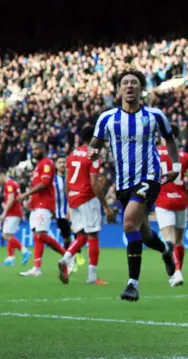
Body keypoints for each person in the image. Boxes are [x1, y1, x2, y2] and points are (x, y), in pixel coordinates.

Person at [89, 69, 177, 301]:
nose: (129, 86)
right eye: (125, 83)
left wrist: (175, 167)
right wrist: (93, 154)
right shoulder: (107, 118)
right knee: (145, 234)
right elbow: (94, 144)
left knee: (129, 224)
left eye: (134, 83)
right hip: (123, 182)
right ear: (119, 89)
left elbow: (170, 139)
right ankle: (166, 250)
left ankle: (132, 284)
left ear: (141, 89)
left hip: (149, 176)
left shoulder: (154, 115)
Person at [57, 126, 114, 285]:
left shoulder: (72, 154)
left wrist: (69, 203)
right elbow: (94, 183)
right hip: (87, 198)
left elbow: (68, 180)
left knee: (82, 235)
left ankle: (65, 258)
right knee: (93, 235)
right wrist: (106, 206)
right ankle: (92, 277)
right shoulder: (93, 154)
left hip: (74, 198)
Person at [18, 143, 67, 277]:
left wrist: (26, 194)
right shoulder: (38, 167)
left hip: (44, 204)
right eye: (33, 149)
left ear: (44, 150)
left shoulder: (47, 163)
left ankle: (67, 256)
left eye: (37, 149)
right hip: (36, 205)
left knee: (40, 235)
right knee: (37, 237)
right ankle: (36, 268)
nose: (34, 151)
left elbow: (44, 184)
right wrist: (31, 200)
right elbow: (37, 186)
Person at [155, 124, 188, 287]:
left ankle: (175, 270)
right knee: (179, 240)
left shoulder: (155, 153)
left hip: (163, 200)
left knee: (169, 239)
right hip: (181, 200)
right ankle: (178, 272)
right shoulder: (185, 156)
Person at [0, 171, 31, 266]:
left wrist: (4, 212)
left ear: (1, 175)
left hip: (13, 213)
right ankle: (11, 258)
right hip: (16, 212)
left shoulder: (9, 184)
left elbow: (11, 199)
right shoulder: (14, 183)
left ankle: (25, 251)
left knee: (5, 235)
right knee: (10, 236)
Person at [54, 155, 80, 267]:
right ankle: (69, 259)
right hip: (59, 214)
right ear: (56, 165)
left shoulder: (72, 179)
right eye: (60, 162)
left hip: (73, 212)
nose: (62, 164)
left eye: (64, 162)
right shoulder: (53, 181)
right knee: (66, 238)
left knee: (77, 234)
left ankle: (74, 257)